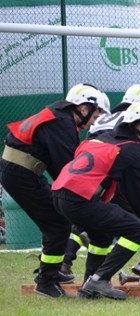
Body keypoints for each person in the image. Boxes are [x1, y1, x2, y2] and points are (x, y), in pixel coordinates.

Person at [52, 102, 140, 300]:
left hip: (60, 195)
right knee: (138, 229)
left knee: (102, 236)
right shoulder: (132, 151)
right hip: (79, 199)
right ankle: (99, 280)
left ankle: (89, 286)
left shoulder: (104, 138)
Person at [0, 83, 109, 298]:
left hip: (22, 172)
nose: (96, 119)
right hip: (21, 174)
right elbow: (67, 168)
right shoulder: (62, 123)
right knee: (57, 224)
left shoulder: (58, 116)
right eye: (96, 113)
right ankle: (46, 281)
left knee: (58, 217)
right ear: (84, 108)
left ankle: (51, 271)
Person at [61, 84, 140, 280]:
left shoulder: (110, 118)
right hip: (105, 174)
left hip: (78, 178)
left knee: (101, 226)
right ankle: (99, 278)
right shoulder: (132, 134)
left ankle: (78, 269)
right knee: (135, 225)